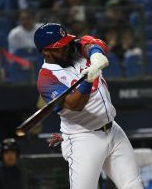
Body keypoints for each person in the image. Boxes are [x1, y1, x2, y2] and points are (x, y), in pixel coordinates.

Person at [34, 23, 144, 189]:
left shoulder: (73, 48)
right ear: (45, 51)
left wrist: (95, 56)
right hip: (83, 138)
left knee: (133, 186)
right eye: (59, 47)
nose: (66, 48)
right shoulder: (46, 79)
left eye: (66, 43)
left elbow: (93, 43)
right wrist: (87, 81)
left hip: (113, 130)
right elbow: (75, 104)